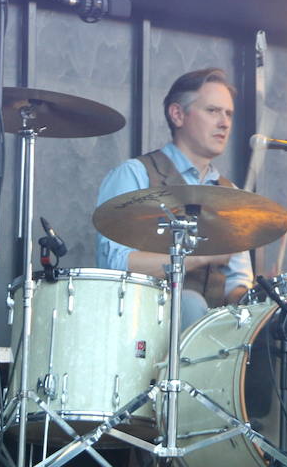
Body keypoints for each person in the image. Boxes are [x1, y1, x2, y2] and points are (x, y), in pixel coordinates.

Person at [96, 67, 252, 327]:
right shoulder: (135, 175)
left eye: (229, 114)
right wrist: (202, 256)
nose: (224, 123)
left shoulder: (231, 195)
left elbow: (237, 282)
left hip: (215, 335)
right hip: (141, 327)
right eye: (213, 111)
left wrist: (257, 298)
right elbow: (117, 264)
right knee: (189, 302)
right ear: (178, 114)